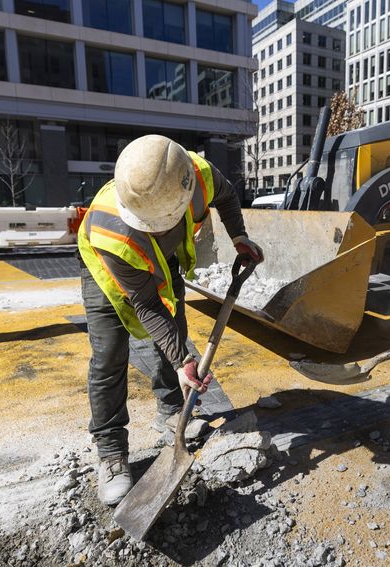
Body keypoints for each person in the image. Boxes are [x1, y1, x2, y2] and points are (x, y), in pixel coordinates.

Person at [77, 134, 264, 506]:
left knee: (175, 331)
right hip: (107, 267)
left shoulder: (193, 175)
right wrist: (184, 361)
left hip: (165, 262)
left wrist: (239, 236)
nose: (156, 228)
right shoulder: (111, 228)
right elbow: (146, 305)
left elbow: (226, 196)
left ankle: (170, 412)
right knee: (110, 354)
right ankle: (112, 452)